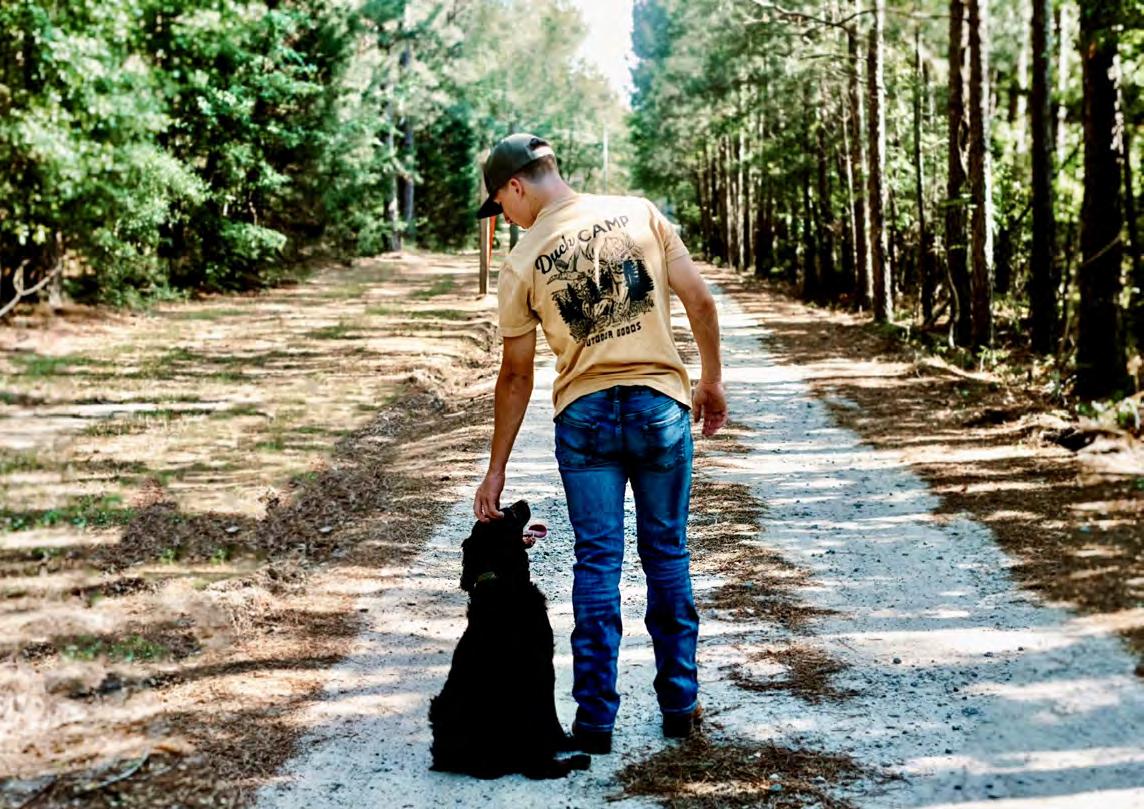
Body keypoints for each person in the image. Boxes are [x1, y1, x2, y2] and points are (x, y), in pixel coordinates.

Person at [471, 132, 726, 754]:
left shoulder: (522, 260)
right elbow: (699, 301)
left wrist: (496, 469)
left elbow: (515, 375)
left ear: (515, 186)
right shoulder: (639, 213)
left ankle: (595, 722)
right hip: (658, 407)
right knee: (666, 554)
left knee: (597, 563)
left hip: (584, 418)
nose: (505, 217)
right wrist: (711, 380)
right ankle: (680, 704)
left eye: (501, 205)